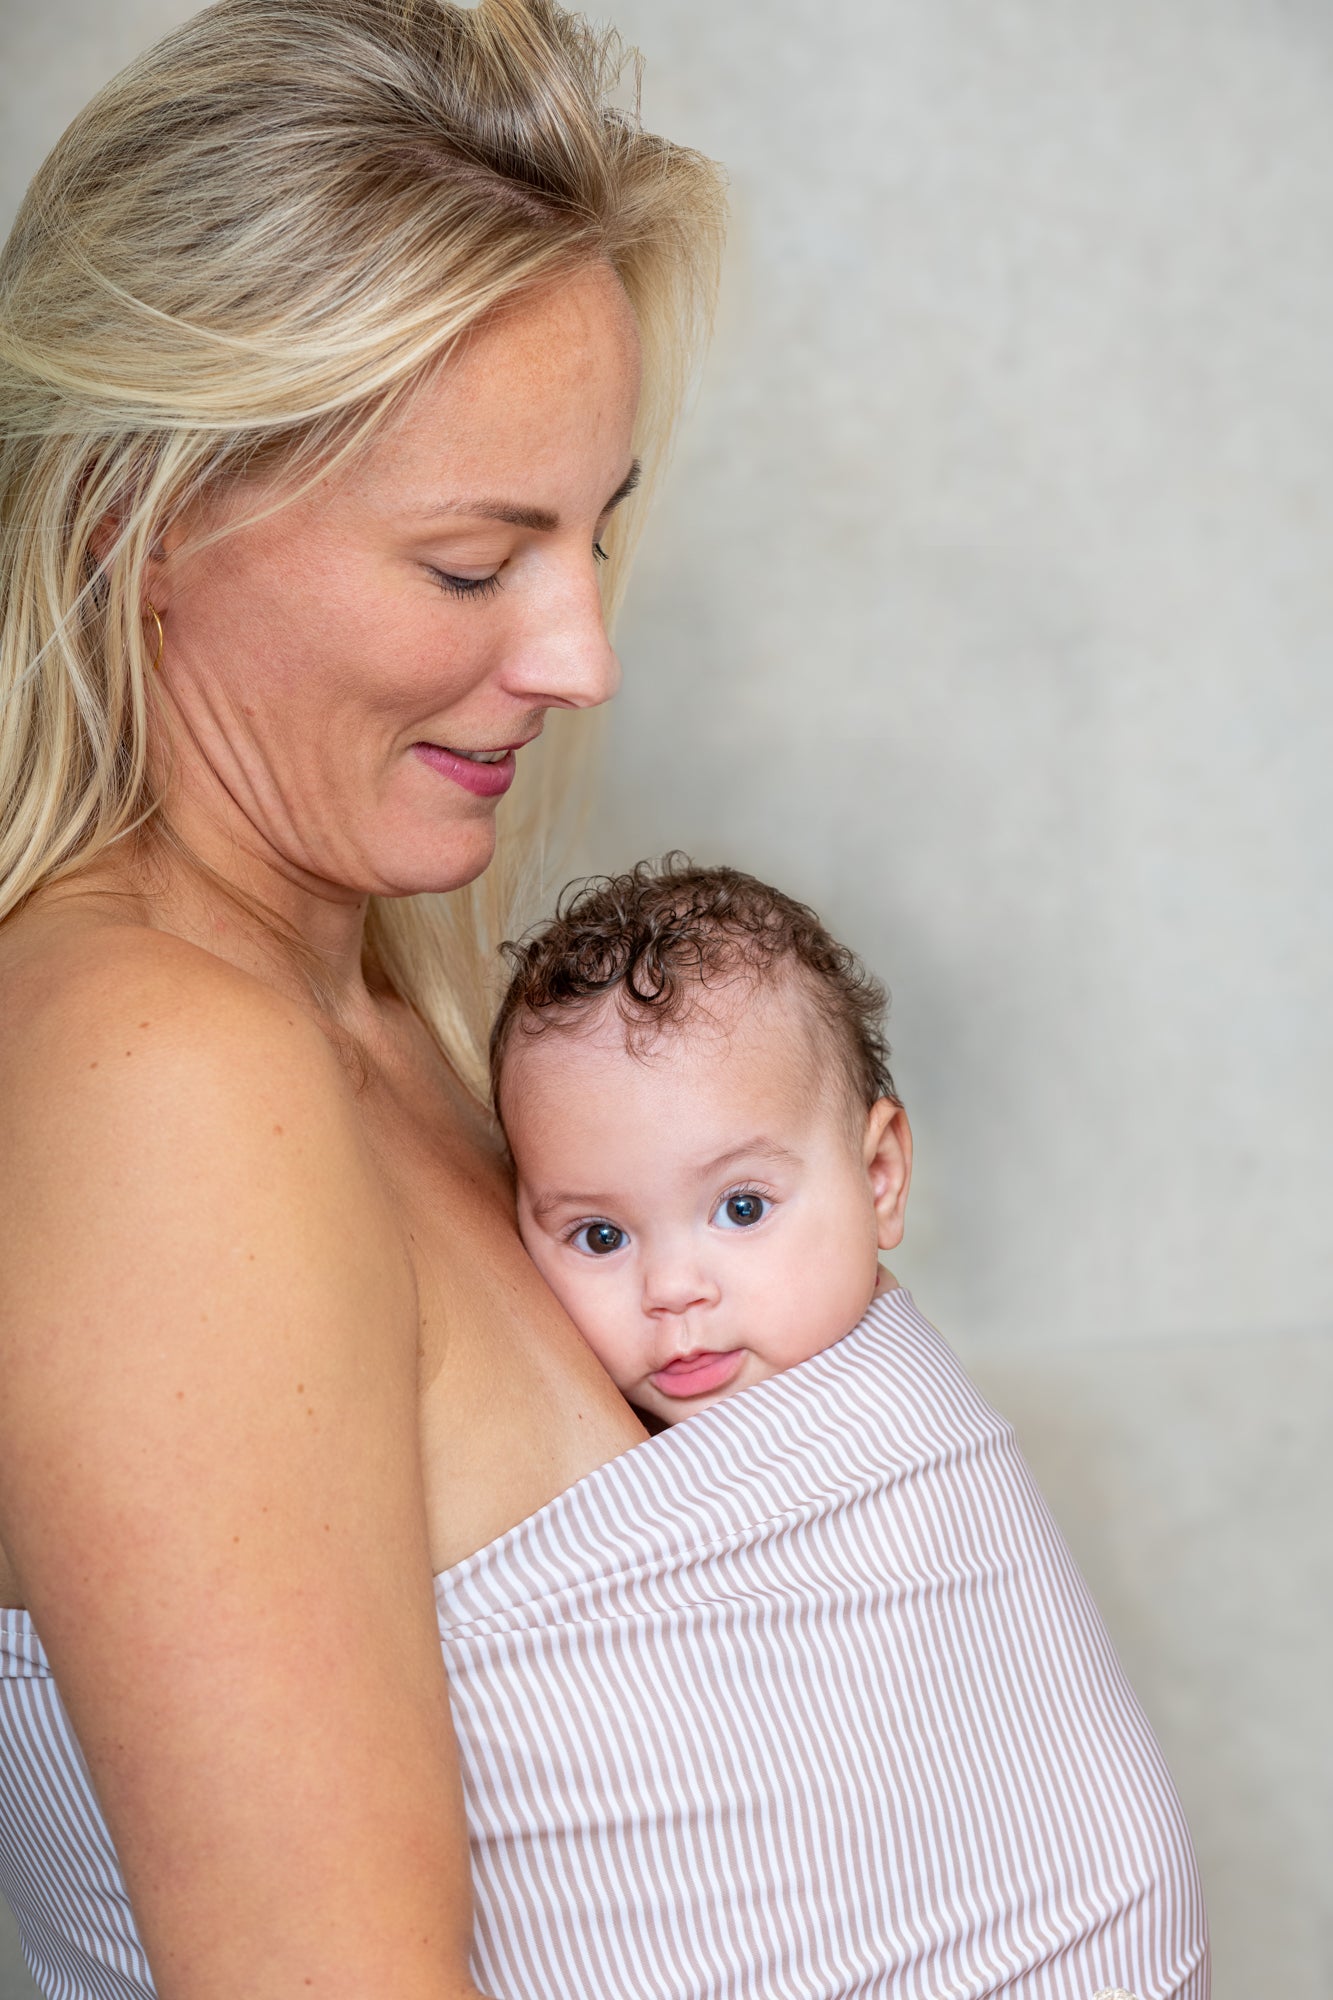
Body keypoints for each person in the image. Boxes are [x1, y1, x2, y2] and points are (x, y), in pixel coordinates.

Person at [0, 3, 1209, 1998]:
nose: (580, 652)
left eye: (596, 527)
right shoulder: (155, 1078)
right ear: (146, 516)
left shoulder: (377, 1007)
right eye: (476, 561)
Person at [490, 856, 913, 1422]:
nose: (671, 1289)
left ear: (878, 1177)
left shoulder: (897, 1439)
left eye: (743, 1208)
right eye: (600, 1237)